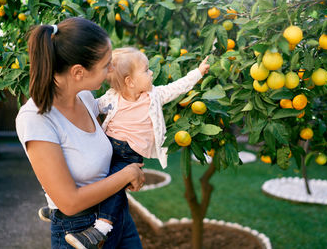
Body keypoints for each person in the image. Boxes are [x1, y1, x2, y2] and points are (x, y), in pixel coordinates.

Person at [15, 17, 145, 249]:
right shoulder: (36, 120)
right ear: (78, 72)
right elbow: (70, 203)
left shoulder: (84, 98)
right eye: (106, 65)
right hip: (78, 232)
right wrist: (127, 174)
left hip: (117, 216)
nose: (112, 69)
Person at [64, 47, 210, 248]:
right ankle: (62, 209)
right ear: (129, 81)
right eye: (146, 70)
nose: (151, 73)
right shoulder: (112, 97)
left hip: (129, 157)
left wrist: (198, 73)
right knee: (95, 176)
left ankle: (100, 230)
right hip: (107, 147)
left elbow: (178, 87)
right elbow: (91, 107)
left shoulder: (154, 96)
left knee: (114, 189)